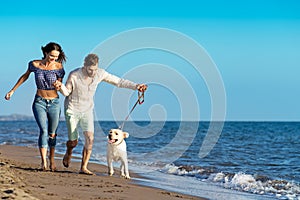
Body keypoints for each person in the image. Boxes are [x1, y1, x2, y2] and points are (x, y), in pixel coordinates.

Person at [53, 53, 147, 175]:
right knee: (73, 141)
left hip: (87, 110)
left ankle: (83, 167)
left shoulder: (100, 73)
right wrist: (60, 87)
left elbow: (119, 81)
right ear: (85, 66)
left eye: (95, 69)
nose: (93, 72)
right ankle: (69, 151)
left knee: (90, 139)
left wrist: (136, 86)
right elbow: (66, 92)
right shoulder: (74, 75)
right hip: (72, 109)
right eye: (90, 70)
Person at [5, 42, 66, 171]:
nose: (54, 59)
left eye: (56, 56)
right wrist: (12, 91)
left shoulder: (59, 67)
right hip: (39, 102)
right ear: (46, 53)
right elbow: (25, 76)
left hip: (54, 102)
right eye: (51, 56)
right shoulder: (34, 64)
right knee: (43, 131)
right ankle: (43, 162)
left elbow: (60, 84)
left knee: (52, 133)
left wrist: (58, 85)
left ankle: (52, 160)